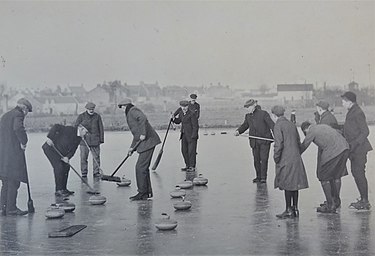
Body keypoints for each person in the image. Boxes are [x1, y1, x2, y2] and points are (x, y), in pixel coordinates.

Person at [300, 121, 349, 213]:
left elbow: (304, 145)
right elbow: (340, 132)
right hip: (345, 148)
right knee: (336, 176)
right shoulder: (323, 126)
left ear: (305, 129)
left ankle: (330, 205)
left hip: (333, 152)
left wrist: (294, 152)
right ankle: (336, 201)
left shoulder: (311, 131)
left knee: (323, 176)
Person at [117, 98, 161, 201]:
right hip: (146, 142)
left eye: (121, 107)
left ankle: (142, 193)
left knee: (140, 168)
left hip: (148, 141)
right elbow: (136, 135)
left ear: (124, 106)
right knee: (143, 168)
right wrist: (131, 148)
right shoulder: (130, 112)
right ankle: (146, 193)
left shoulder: (132, 111)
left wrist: (143, 134)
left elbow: (143, 118)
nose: (122, 109)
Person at [271, 105, 308, 219]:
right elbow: (298, 141)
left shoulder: (278, 125)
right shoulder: (291, 124)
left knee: (287, 183)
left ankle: (288, 210)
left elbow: (279, 144)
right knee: (294, 184)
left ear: (274, 115)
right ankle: (295, 209)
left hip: (285, 158)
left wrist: (276, 157)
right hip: (296, 158)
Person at [0, 98, 33, 216]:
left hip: (3, 154)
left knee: (5, 181)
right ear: (24, 108)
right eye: (27, 111)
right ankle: (12, 209)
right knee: (14, 181)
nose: (26, 114)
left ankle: (2, 208)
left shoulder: (5, 115)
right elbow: (18, 128)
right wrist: (24, 141)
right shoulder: (18, 114)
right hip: (13, 154)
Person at [341, 91, 372, 210]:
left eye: (343, 101)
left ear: (350, 101)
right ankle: (363, 198)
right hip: (355, 149)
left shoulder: (357, 112)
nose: (342, 103)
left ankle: (365, 201)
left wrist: (354, 144)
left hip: (359, 149)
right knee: (357, 173)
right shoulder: (352, 111)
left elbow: (365, 131)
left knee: (358, 173)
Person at [234, 99, 274, 183]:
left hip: (264, 141)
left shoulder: (263, 114)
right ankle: (258, 176)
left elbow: (272, 125)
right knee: (256, 160)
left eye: (249, 107)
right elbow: (245, 125)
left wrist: (278, 137)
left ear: (254, 105)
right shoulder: (248, 116)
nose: (248, 109)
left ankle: (263, 177)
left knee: (263, 159)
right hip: (254, 142)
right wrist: (238, 131)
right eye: (246, 108)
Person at [42, 124, 88, 197]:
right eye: (86, 131)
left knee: (66, 166)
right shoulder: (70, 129)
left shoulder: (79, 138)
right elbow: (56, 126)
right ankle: (58, 190)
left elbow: (73, 150)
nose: (86, 133)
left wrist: (67, 157)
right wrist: (50, 138)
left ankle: (63, 189)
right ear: (82, 129)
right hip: (50, 149)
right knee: (59, 167)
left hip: (61, 153)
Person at [74, 102, 104, 178]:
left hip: (95, 140)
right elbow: (76, 126)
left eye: (92, 109)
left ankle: (96, 172)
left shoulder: (97, 116)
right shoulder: (81, 116)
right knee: (83, 158)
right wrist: (81, 131)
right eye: (90, 109)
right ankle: (84, 173)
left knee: (96, 157)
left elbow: (101, 128)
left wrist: (101, 140)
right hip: (84, 141)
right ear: (86, 109)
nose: (91, 110)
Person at [172, 100, 199, 172]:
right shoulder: (181, 113)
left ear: (188, 106)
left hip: (191, 136)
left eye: (185, 106)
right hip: (183, 135)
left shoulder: (192, 114)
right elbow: (179, 121)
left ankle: (192, 166)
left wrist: (194, 136)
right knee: (184, 151)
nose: (184, 108)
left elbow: (195, 126)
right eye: (182, 106)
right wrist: (174, 119)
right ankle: (187, 165)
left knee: (191, 152)